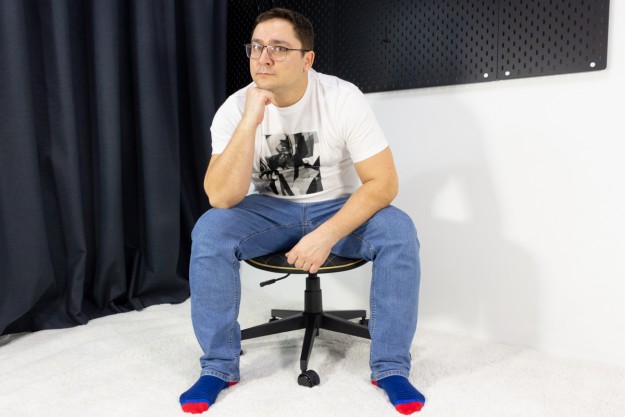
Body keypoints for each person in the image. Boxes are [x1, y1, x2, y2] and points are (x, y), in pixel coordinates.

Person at [179, 7, 425, 415]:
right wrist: (249, 121)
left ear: (307, 59)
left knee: (398, 230)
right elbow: (221, 197)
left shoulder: (341, 98)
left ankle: (391, 367)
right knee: (210, 230)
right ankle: (218, 366)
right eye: (256, 47)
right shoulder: (235, 108)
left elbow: (383, 184)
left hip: (337, 205)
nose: (264, 58)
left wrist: (326, 235)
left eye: (279, 48)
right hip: (268, 210)